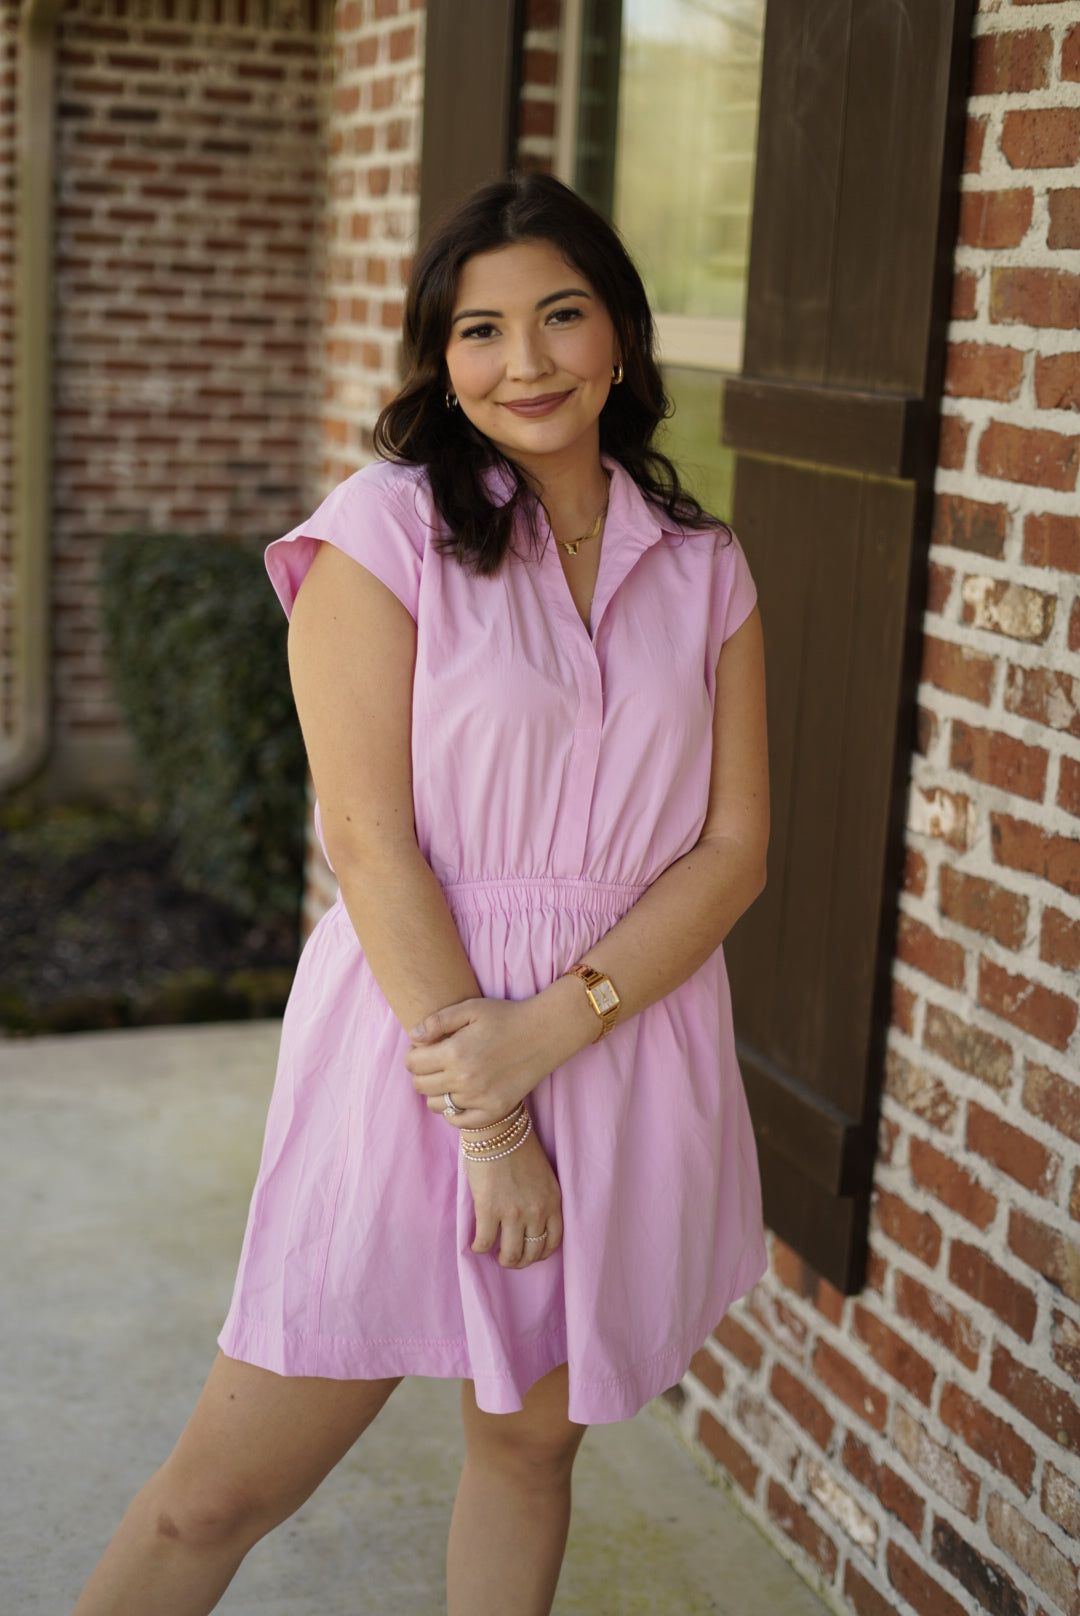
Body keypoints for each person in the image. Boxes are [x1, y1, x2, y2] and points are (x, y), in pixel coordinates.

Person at [72, 172, 769, 1616]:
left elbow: (735, 850)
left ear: (623, 339)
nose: (525, 362)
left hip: (623, 1037)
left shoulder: (705, 569)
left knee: (528, 1451)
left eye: (561, 317)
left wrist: (558, 1029)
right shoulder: (383, 533)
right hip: (420, 1036)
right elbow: (369, 840)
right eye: (479, 330)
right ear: (440, 361)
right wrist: (491, 1105)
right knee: (222, 1491)